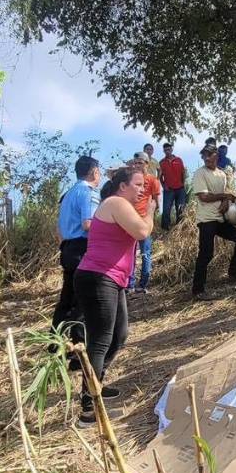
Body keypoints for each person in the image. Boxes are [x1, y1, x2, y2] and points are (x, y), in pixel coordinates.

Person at [74, 167, 155, 427]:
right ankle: (89, 408)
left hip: (111, 279)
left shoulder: (120, 205)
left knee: (119, 335)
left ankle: (96, 383)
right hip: (98, 277)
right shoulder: (116, 203)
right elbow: (142, 232)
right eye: (138, 184)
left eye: (144, 185)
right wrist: (151, 212)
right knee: (101, 340)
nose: (142, 189)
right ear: (122, 186)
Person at [53, 155, 101, 344]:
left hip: (67, 248)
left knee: (67, 299)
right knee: (84, 300)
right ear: (94, 172)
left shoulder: (69, 194)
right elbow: (88, 224)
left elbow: (59, 228)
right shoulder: (89, 193)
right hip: (82, 249)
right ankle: (78, 349)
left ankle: (54, 342)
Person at [189, 145, 236, 299]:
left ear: (216, 155)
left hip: (219, 218)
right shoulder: (200, 173)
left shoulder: (222, 174)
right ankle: (198, 291)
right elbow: (204, 197)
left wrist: (226, 199)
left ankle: (233, 271)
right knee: (206, 253)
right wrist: (225, 196)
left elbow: (224, 198)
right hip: (206, 219)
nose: (206, 158)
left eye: (209, 155)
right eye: (204, 155)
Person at [126, 156, 161, 294]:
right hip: (130, 219)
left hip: (144, 220)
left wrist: (151, 218)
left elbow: (156, 201)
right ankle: (130, 284)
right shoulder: (131, 179)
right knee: (130, 253)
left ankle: (143, 284)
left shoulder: (153, 180)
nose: (137, 165)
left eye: (140, 163)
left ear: (147, 164)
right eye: (135, 163)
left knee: (146, 254)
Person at [158, 142, 187, 230]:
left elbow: (183, 173)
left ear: (172, 149)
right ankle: (165, 229)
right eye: (165, 150)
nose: (167, 151)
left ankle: (179, 229)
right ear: (163, 151)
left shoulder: (179, 160)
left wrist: (182, 184)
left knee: (181, 209)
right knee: (166, 210)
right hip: (169, 190)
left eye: (169, 149)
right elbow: (159, 177)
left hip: (180, 189)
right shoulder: (161, 162)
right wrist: (163, 186)